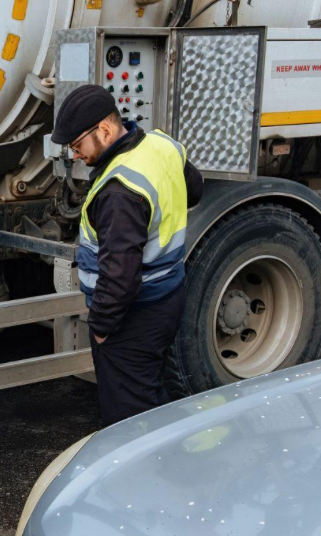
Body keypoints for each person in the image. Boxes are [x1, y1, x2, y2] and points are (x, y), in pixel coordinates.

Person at [50, 84, 203, 425]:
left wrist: (102, 328)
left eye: (77, 145)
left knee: (129, 417)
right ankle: (171, 461)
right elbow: (194, 190)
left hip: (135, 315)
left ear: (104, 130)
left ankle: (152, 474)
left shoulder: (120, 191)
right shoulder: (161, 145)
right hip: (167, 296)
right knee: (147, 390)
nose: (76, 155)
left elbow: (120, 277)